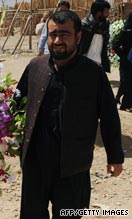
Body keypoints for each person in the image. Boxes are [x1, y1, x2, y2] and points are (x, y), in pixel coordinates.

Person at [15, 10, 124, 219]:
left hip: (73, 168)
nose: (57, 40)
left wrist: (115, 156)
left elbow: (109, 116)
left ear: (79, 36)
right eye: (53, 34)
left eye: (64, 34)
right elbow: (16, 106)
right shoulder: (35, 67)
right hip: (35, 166)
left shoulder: (93, 74)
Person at [79, 0, 111, 73]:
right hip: (85, 63)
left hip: (100, 63)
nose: (108, 14)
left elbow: (105, 41)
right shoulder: (84, 25)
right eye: (106, 12)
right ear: (98, 13)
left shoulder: (105, 24)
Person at [112, 12, 132, 112]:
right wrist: (124, 56)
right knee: (125, 82)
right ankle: (116, 99)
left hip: (129, 62)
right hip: (125, 63)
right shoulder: (125, 32)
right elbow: (115, 45)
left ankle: (125, 104)